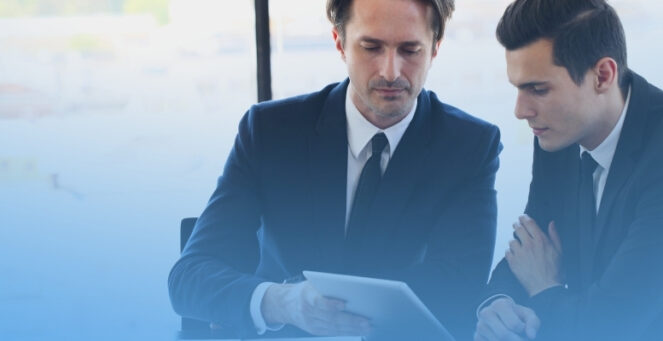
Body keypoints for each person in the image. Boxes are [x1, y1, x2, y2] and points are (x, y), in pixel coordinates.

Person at [168, 0, 501, 338]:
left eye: (410, 50)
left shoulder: (470, 146)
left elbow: (460, 289)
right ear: (340, 43)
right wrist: (281, 302)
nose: (391, 72)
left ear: (435, 47)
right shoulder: (271, 131)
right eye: (371, 47)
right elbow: (189, 277)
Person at [474, 0, 663, 340]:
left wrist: (543, 289)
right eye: (518, 87)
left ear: (603, 76)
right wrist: (498, 304)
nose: (521, 110)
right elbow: (530, 247)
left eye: (538, 89)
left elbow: (608, 326)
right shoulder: (560, 133)